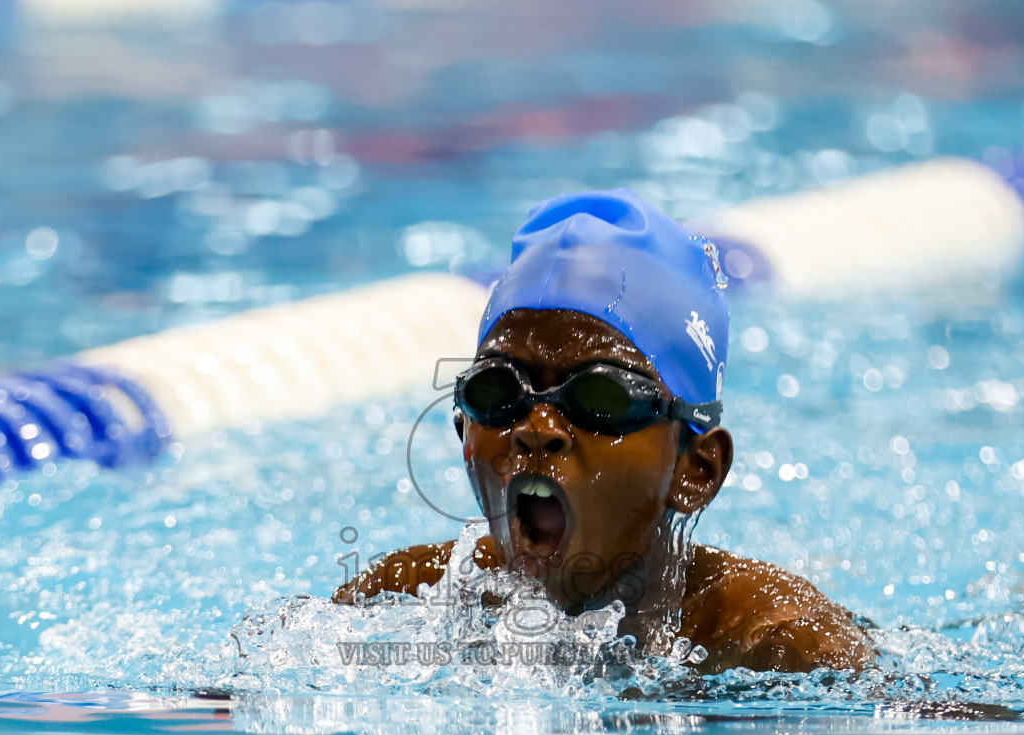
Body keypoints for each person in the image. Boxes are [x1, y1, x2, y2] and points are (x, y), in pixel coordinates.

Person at [335, 189, 870, 674]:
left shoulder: (776, 645)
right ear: (463, 431)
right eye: (499, 392)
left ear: (696, 469)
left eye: (600, 398)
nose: (537, 427)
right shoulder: (406, 600)